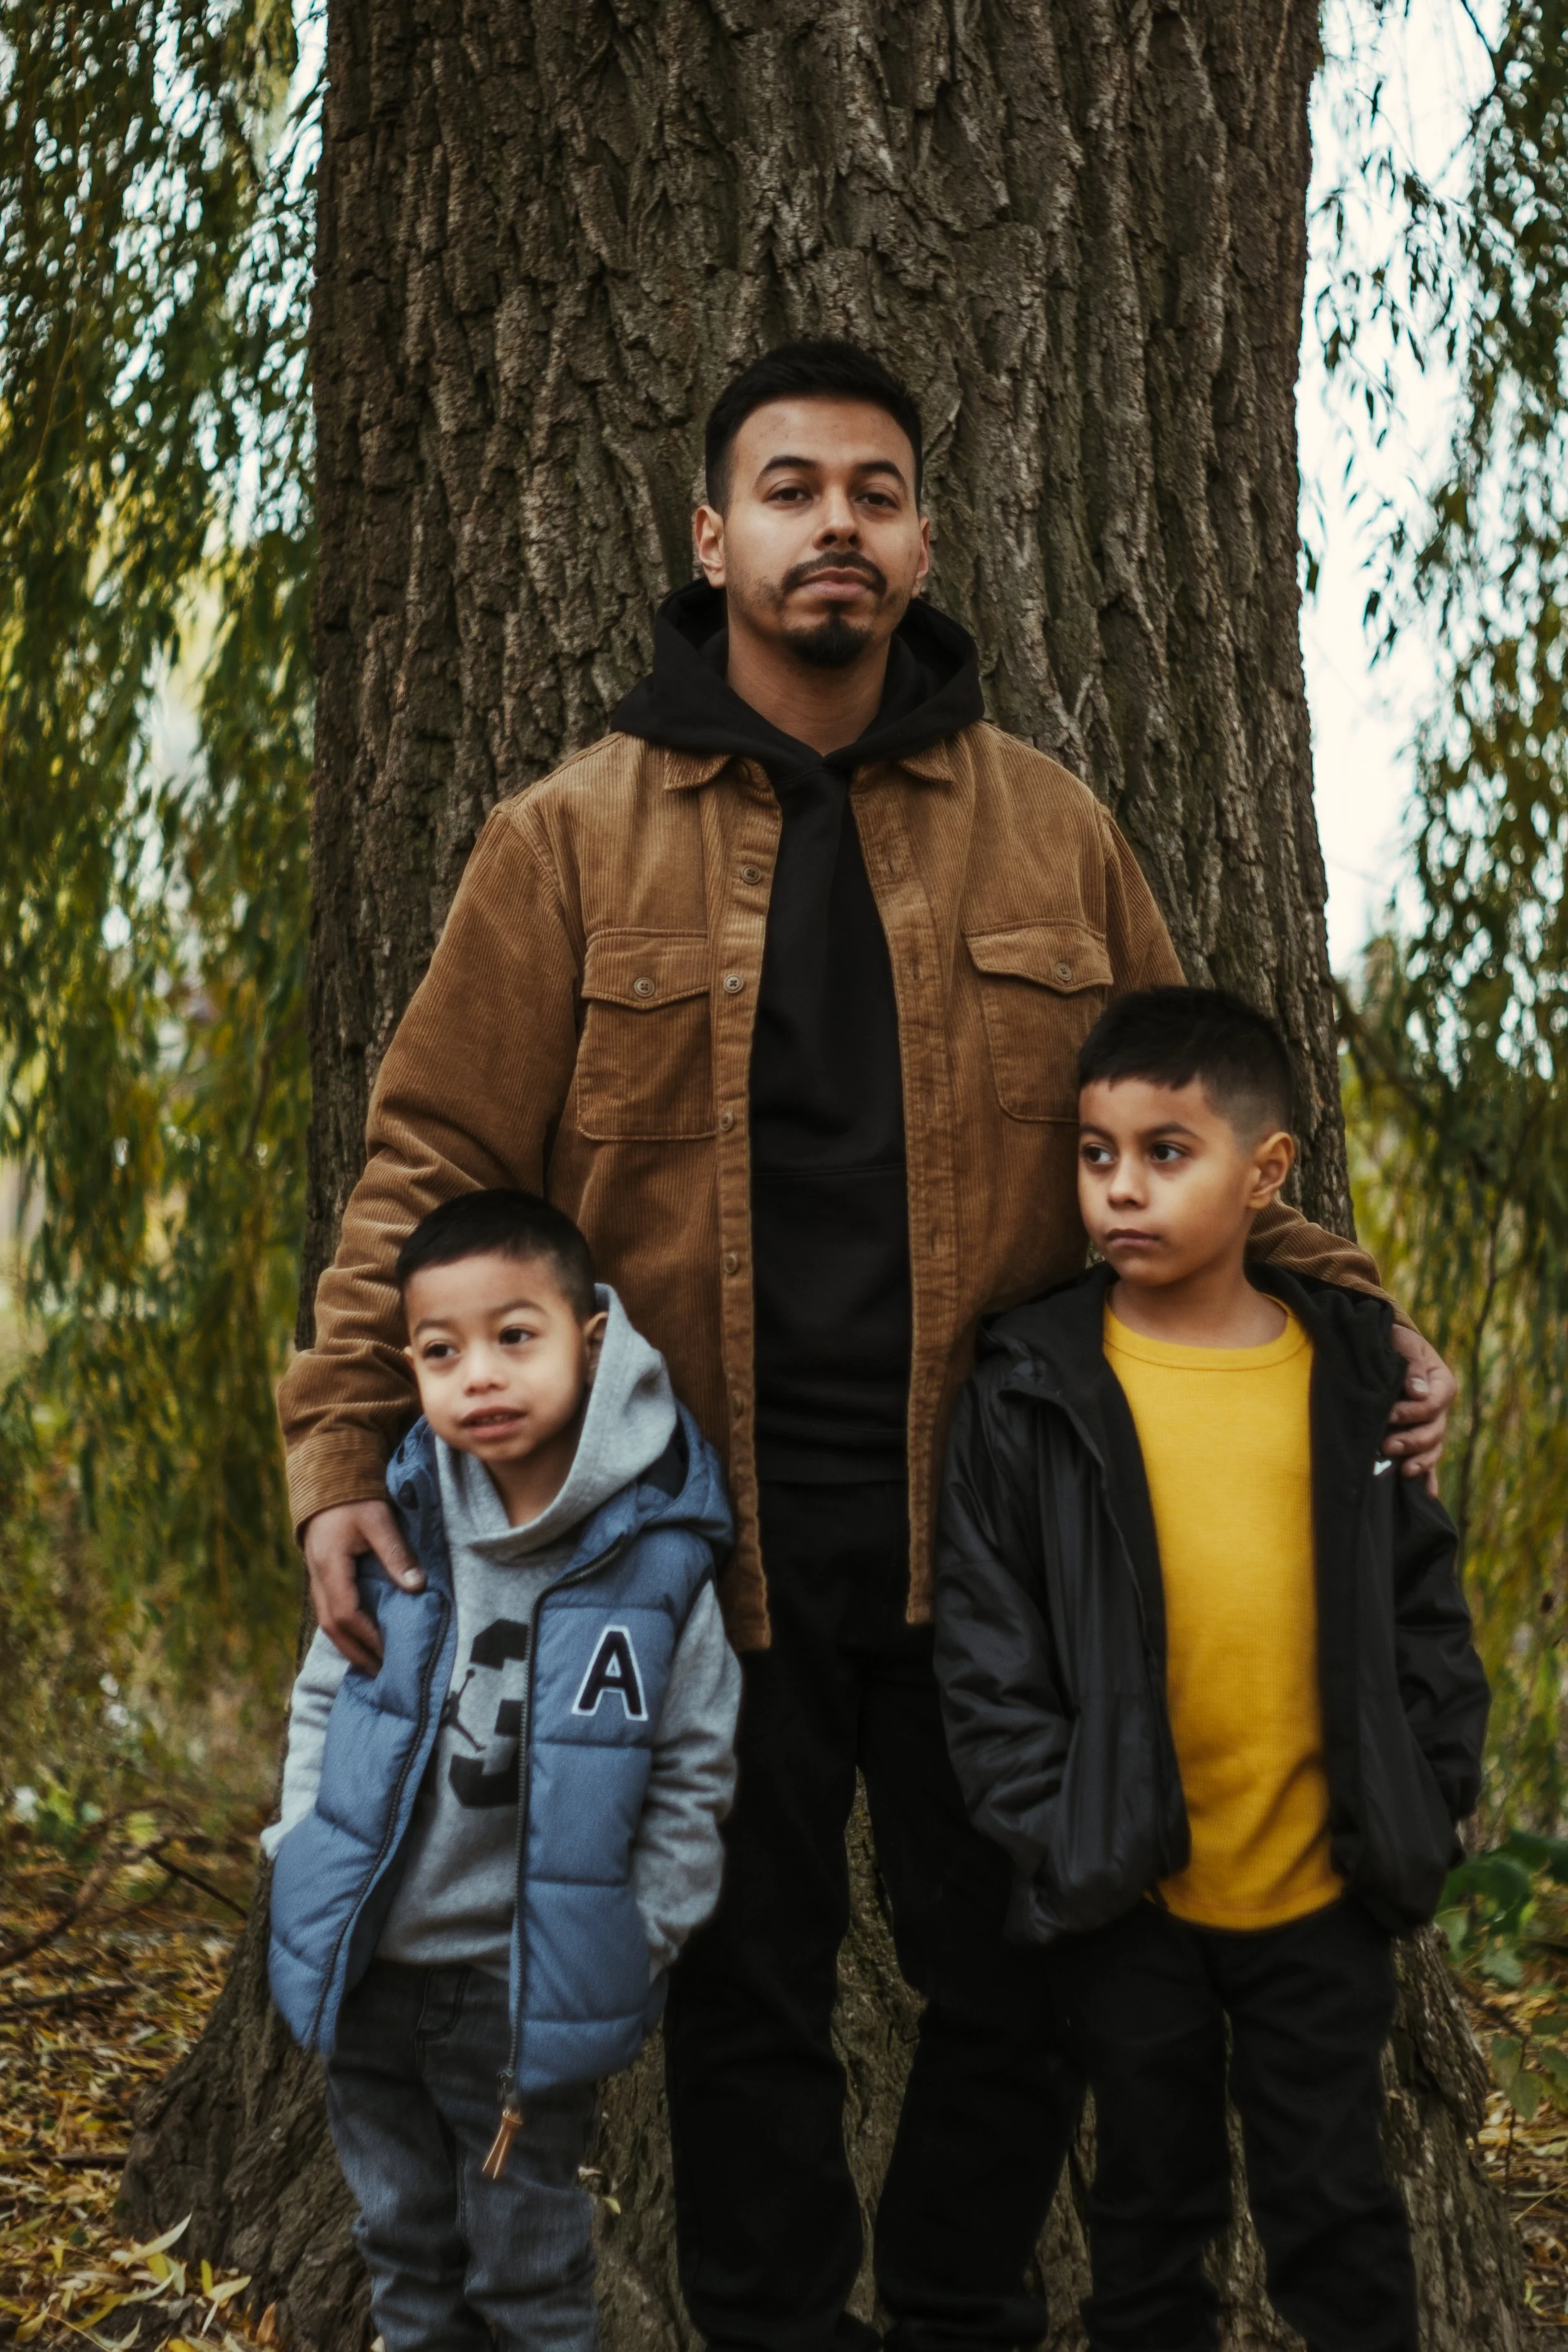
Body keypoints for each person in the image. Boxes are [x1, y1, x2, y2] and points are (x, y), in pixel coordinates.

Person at [277, 338, 1460, 2352]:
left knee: (1025, 1976)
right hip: (684, 1531)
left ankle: (956, 2312)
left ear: (921, 539)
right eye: (794, 486)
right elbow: (428, 1166)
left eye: (877, 491)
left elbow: (1197, 1126)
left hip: (1001, 1531)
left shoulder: (1047, 828)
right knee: (741, 1988)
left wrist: (1355, 1313)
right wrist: (337, 1455)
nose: (838, 522)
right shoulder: (565, 839)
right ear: (710, 532)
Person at [933, 988, 1489, 2352]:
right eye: (1094, 1152)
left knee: (1332, 2206)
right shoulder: (1032, 1382)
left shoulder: (1351, 1370)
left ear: (1265, 1174)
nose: (1119, 1188)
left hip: (1321, 1887)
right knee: (1145, 2214)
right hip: (1129, 1892)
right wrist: (1054, 1826)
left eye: (1163, 1153)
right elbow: (985, 1636)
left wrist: (1433, 1783)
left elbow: (1421, 1606)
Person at [263, 1188, 740, 2352]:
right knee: (404, 2256)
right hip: (374, 1974)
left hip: (520, 1998)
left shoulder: (657, 1558)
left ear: (590, 1340)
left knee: (530, 2277)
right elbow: (323, 1698)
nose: (477, 1374)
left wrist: (645, 1929)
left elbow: (694, 1767)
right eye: (441, 1350)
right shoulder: (401, 1524)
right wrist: (293, 1855)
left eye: (512, 1337)